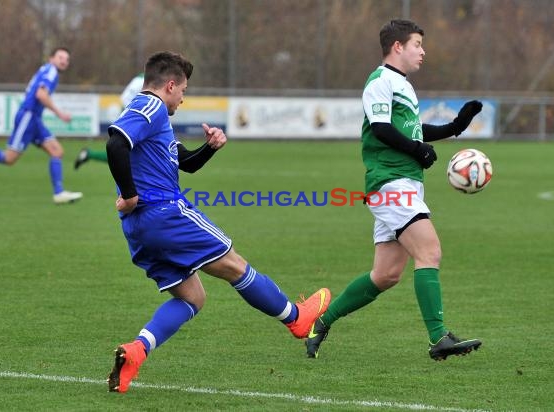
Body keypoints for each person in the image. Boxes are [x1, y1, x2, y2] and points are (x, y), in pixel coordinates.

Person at [105, 51, 331, 393]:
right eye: (183, 90)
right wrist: (130, 192)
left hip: (139, 229)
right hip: (164, 213)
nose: (183, 98)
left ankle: (137, 351)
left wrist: (210, 147)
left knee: (192, 298)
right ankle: (297, 319)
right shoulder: (148, 107)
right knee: (234, 264)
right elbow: (115, 143)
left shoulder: (157, 121)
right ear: (169, 85)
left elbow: (187, 164)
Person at [305, 19, 483, 361]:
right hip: (390, 183)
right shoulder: (380, 80)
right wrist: (417, 150)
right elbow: (382, 128)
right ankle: (438, 338)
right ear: (398, 47)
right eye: (417, 43)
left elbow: (411, 129)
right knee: (429, 251)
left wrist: (455, 126)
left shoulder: (401, 84)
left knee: (385, 275)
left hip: (403, 184)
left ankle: (321, 322)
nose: (423, 51)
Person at [0, 47, 82, 204]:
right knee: (9, 158)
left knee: (57, 151)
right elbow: (40, 95)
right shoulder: (51, 72)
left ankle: (59, 193)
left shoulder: (46, 70)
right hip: (28, 117)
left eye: (67, 59)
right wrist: (60, 114)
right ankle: (59, 192)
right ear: (51, 58)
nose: (64, 61)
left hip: (34, 119)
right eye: (60, 57)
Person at [74, 72, 144, 169]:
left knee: (125, 155)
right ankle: (89, 154)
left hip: (127, 111)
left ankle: (88, 154)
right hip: (131, 113)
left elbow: (125, 97)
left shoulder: (144, 75)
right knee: (123, 155)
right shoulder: (151, 78)